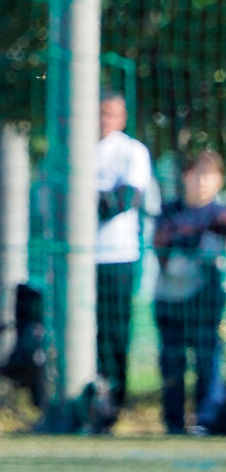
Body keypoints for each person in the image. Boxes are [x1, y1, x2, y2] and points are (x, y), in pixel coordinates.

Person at [151, 150, 226, 435]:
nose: (202, 181)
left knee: (208, 361)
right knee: (172, 361)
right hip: (170, 301)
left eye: (210, 175)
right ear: (185, 177)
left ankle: (206, 421)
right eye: (197, 174)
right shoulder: (169, 212)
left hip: (207, 302)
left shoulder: (219, 214)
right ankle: (173, 423)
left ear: (220, 181)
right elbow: (163, 249)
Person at [94, 92, 154, 428]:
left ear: (123, 116)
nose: (105, 120)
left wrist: (89, 196)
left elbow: (121, 202)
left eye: (111, 113)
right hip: (78, 260)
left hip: (117, 256)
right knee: (83, 333)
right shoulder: (75, 147)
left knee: (115, 333)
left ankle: (114, 405)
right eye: (100, 113)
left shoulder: (132, 151)